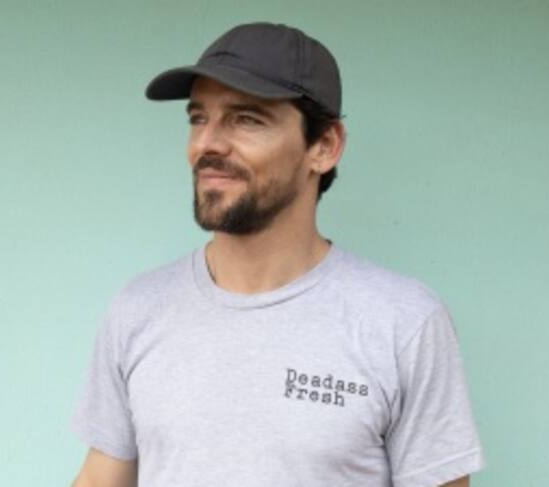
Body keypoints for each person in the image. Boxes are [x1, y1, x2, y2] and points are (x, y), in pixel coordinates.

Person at [70, 22, 486, 487]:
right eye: (198, 118)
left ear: (324, 146)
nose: (207, 143)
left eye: (247, 119)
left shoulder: (403, 323)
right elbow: (101, 480)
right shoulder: (138, 309)